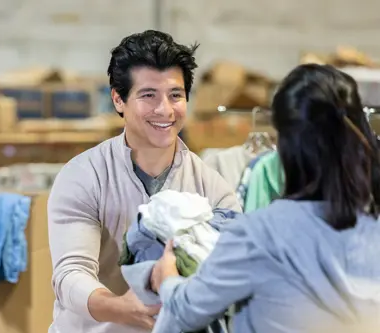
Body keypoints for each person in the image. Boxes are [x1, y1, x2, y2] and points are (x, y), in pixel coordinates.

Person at [151, 63, 380, 333]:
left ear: (283, 143)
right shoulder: (371, 224)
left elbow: (187, 310)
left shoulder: (258, 235)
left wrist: (165, 279)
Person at [47, 30, 240, 333]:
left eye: (175, 95)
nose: (164, 109)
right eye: (148, 95)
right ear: (118, 99)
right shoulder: (84, 176)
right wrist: (120, 309)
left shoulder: (214, 189)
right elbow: (70, 275)